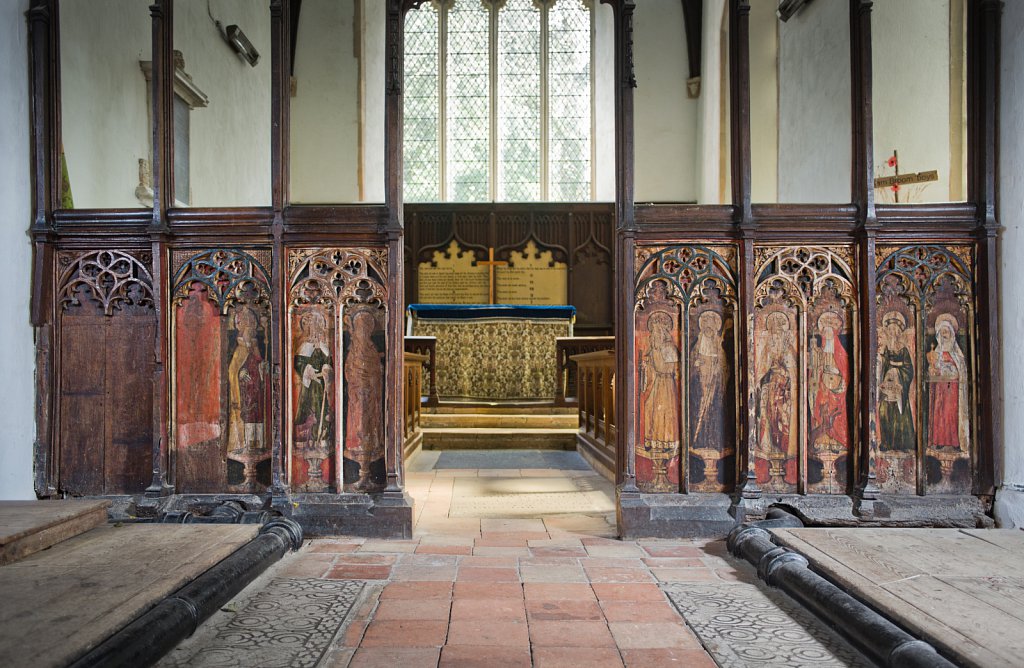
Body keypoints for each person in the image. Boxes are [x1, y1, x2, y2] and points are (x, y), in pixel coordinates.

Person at [344, 307, 385, 491]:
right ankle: (361, 472)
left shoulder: (371, 348)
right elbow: (349, 371)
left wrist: (373, 378)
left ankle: (367, 472)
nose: (363, 331)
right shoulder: (354, 348)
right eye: (359, 327)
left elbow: (377, 370)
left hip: (370, 397)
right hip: (357, 397)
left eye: (366, 327)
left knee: (369, 424)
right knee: (358, 427)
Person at [641, 310, 680, 488]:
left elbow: (671, 369)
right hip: (656, 385)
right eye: (653, 332)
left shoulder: (668, 348)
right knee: (652, 410)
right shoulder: (653, 349)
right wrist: (647, 365)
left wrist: (656, 365)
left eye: (658, 332)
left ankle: (665, 443)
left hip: (665, 385)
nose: (654, 335)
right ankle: (655, 442)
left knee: (664, 412)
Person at [294, 309, 333, 488]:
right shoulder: (304, 345)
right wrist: (309, 371)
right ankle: (308, 441)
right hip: (309, 387)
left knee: (323, 412)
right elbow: (299, 364)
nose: (315, 329)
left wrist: (326, 370)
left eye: (318, 325)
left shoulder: (324, 345)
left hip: (323, 387)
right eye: (312, 325)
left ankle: (322, 438)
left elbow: (330, 362)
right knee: (309, 411)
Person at [927, 313, 969, 451]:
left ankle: (955, 442)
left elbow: (961, 369)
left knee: (951, 414)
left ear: (951, 333)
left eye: (946, 331)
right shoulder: (937, 351)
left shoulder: (957, 353)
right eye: (942, 332)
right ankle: (939, 440)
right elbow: (932, 368)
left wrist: (952, 370)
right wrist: (933, 369)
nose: (944, 334)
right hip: (940, 388)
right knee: (940, 413)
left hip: (953, 389)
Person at [877, 310, 916, 452]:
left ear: (899, 332)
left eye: (895, 330)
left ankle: (902, 444)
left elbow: (909, 369)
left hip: (899, 386)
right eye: (890, 329)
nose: (893, 332)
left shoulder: (903, 349)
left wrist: (896, 368)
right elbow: (881, 366)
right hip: (887, 386)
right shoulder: (885, 348)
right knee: (884, 412)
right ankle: (886, 443)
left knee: (900, 414)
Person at [809, 311, 849, 450]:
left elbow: (845, 373)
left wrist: (836, 373)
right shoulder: (820, 351)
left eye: (829, 332)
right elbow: (813, 371)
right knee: (822, 412)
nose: (827, 335)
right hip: (822, 388)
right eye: (824, 333)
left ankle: (837, 439)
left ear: (834, 334)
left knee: (835, 413)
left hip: (836, 390)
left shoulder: (840, 352)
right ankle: (822, 438)